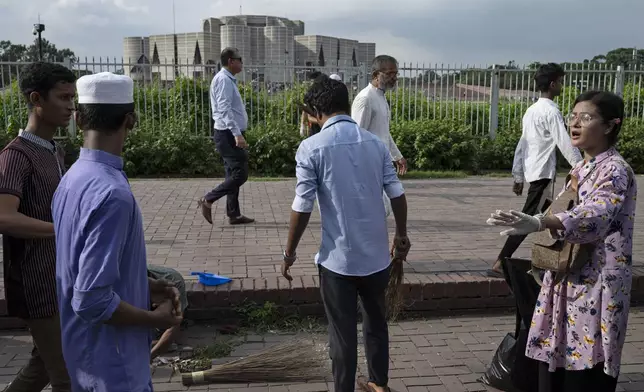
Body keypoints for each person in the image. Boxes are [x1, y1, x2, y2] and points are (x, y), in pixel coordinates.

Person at [487, 91, 636, 392]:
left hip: (597, 283)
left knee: (589, 363)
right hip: (568, 278)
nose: (575, 124)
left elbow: (594, 216)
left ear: (610, 126)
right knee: (561, 357)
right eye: (573, 116)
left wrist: (540, 221)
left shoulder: (616, 170)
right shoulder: (581, 169)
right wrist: (539, 221)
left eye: (586, 117)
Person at [52, 72, 183, 392]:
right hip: (115, 366)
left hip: (84, 356)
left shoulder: (71, 180)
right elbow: (91, 299)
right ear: (131, 121)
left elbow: (83, 271)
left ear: (79, 119)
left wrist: (146, 285)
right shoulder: (112, 194)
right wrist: (157, 320)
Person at [280, 77, 409, 392]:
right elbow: (397, 193)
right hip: (378, 258)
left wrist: (289, 253)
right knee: (377, 324)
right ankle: (378, 384)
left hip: (338, 263)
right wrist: (401, 235)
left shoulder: (311, 147)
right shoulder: (374, 144)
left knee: (342, 334)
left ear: (316, 111)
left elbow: (302, 204)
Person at [0, 62, 75, 392]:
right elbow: (4, 217)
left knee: (41, 367)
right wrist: (63, 230)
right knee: (68, 377)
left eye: (73, 98)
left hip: (60, 279)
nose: (71, 106)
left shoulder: (56, 150)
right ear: (37, 99)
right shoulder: (16, 156)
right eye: (63, 97)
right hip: (36, 284)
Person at [486, 63, 582, 278]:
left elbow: (522, 145)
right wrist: (582, 167)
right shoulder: (550, 111)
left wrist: (518, 174)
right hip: (542, 175)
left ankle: (556, 260)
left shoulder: (531, 110)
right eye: (561, 82)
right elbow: (564, 142)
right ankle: (500, 263)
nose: (562, 86)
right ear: (553, 83)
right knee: (528, 219)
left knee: (553, 217)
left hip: (534, 172)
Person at [199, 47, 254, 225]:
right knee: (240, 174)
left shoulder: (228, 80)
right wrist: (237, 134)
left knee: (232, 173)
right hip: (228, 134)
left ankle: (234, 214)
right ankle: (208, 199)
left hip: (229, 133)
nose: (242, 63)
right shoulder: (223, 80)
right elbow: (224, 109)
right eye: (239, 59)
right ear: (231, 61)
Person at [351, 55, 407, 218]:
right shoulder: (365, 98)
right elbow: (356, 136)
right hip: (367, 164)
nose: (394, 78)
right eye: (389, 73)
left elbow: (383, 132)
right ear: (376, 75)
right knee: (378, 209)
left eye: (396, 74)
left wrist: (397, 156)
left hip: (381, 162)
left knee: (384, 208)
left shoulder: (381, 98)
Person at [148, 264, 189, 359]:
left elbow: (173, 327)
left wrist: (151, 356)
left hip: (167, 285)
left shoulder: (173, 283)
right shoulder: (127, 282)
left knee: (165, 339)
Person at [300, 71, 324, 138]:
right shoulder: (310, 95)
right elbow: (309, 116)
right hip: (315, 132)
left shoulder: (327, 94)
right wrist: (302, 125)